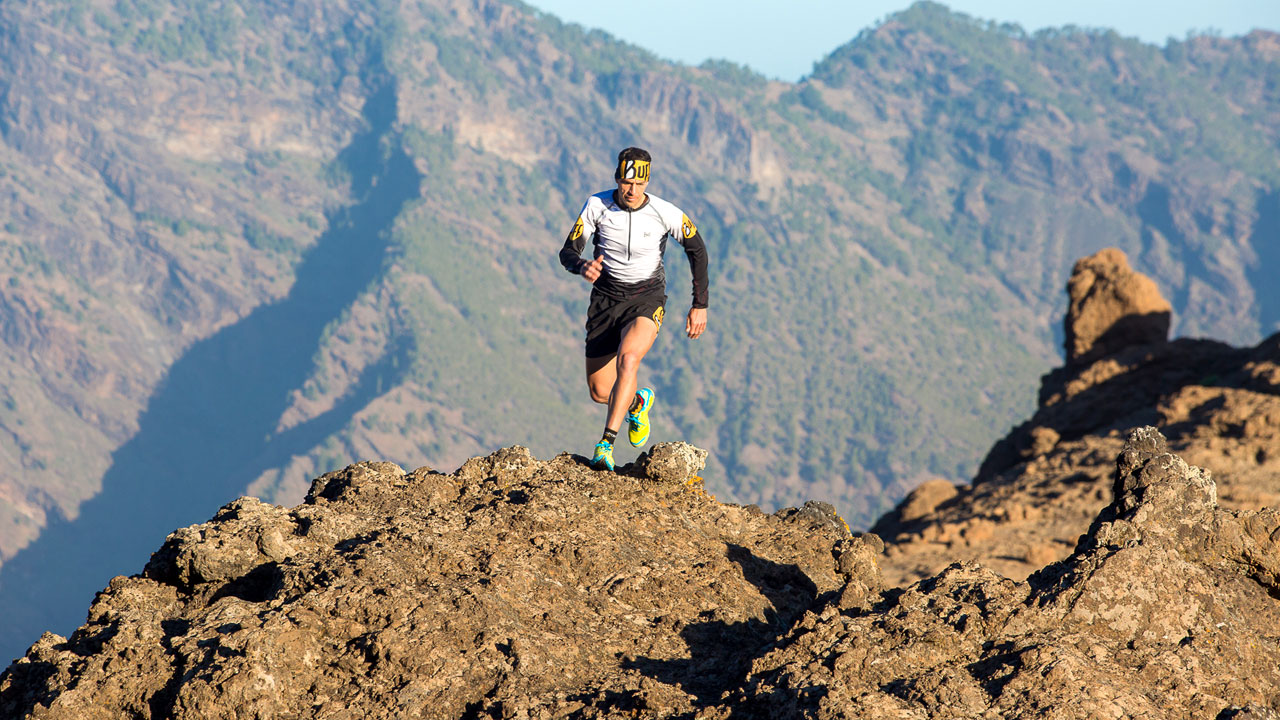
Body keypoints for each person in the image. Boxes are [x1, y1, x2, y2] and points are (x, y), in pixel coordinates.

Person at [559, 147, 709, 470]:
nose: (632, 190)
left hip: (646, 299)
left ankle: (605, 446)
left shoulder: (664, 212)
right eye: (627, 182)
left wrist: (700, 304)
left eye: (639, 184)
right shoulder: (596, 205)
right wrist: (581, 266)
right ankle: (636, 402)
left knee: (629, 359)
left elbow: (697, 249)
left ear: (647, 183)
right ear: (617, 179)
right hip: (605, 301)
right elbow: (567, 251)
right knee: (600, 391)